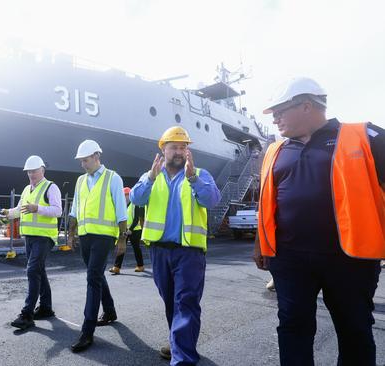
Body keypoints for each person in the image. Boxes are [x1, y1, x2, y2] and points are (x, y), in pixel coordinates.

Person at [253, 77, 385, 365]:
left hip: (350, 260)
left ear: (306, 106)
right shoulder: (274, 151)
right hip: (290, 260)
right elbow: (266, 202)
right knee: (292, 328)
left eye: (279, 111)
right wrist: (259, 245)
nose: (274, 119)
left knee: (354, 331)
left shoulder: (366, 136)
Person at [130, 126, 221, 365]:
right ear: (163, 150)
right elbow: (136, 199)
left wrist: (193, 179)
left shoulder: (200, 174)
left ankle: (182, 359)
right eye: (174, 147)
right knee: (171, 302)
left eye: (183, 147)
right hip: (159, 251)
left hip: (189, 252)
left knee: (185, 303)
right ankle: (179, 344)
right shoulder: (151, 175)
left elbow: (212, 200)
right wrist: (150, 178)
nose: (179, 152)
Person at [66, 139, 128, 353]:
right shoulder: (81, 181)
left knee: (92, 277)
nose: (82, 164)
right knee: (97, 274)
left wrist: (122, 239)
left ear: (96, 157)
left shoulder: (113, 178)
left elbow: (122, 211)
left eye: (85, 160)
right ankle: (109, 311)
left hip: (104, 237)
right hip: (85, 236)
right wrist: (71, 232)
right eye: (81, 161)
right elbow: (75, 208)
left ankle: (87, 331)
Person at [2, 155, 62, 331]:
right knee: (39, 271)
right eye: (29, 171)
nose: (31, 174)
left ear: (42, 170)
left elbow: (58, 211)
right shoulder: (27, 189)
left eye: (34, 171)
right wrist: (6, 213)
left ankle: (27, 314)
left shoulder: (51, 187)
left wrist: (38, 208)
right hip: (29, 237)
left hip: (44, 237)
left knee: (33, 270)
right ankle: (45, 308)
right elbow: (19, 211)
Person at [109, 187, 145, 274]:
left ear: (130, 195)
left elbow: (137, 218)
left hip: (135, 230)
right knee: (121, 248)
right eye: (124, 195)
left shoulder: (135, 204)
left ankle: (140, 266)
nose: (125, 197)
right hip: (125, 230)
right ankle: (116, 267)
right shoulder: (121, 205)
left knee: (136, 248)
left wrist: (131, 229)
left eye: (126, 195)